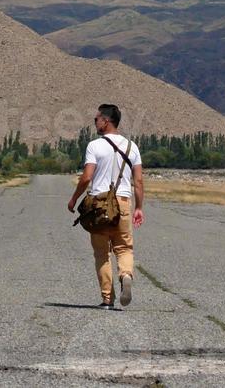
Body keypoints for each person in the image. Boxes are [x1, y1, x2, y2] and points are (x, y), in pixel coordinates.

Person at [68, 104, 145, 309]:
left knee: (102, 253)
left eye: (96, 119)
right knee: (124, 248)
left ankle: (107, 299)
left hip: (99, 204)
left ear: (106, 121)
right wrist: (139, 207)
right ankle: (126, 275)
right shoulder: (132, 147)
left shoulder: (94, 146)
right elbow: (138, 182)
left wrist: (74, 198)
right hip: (123, 203)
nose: (95, 123)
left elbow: (86, 178)